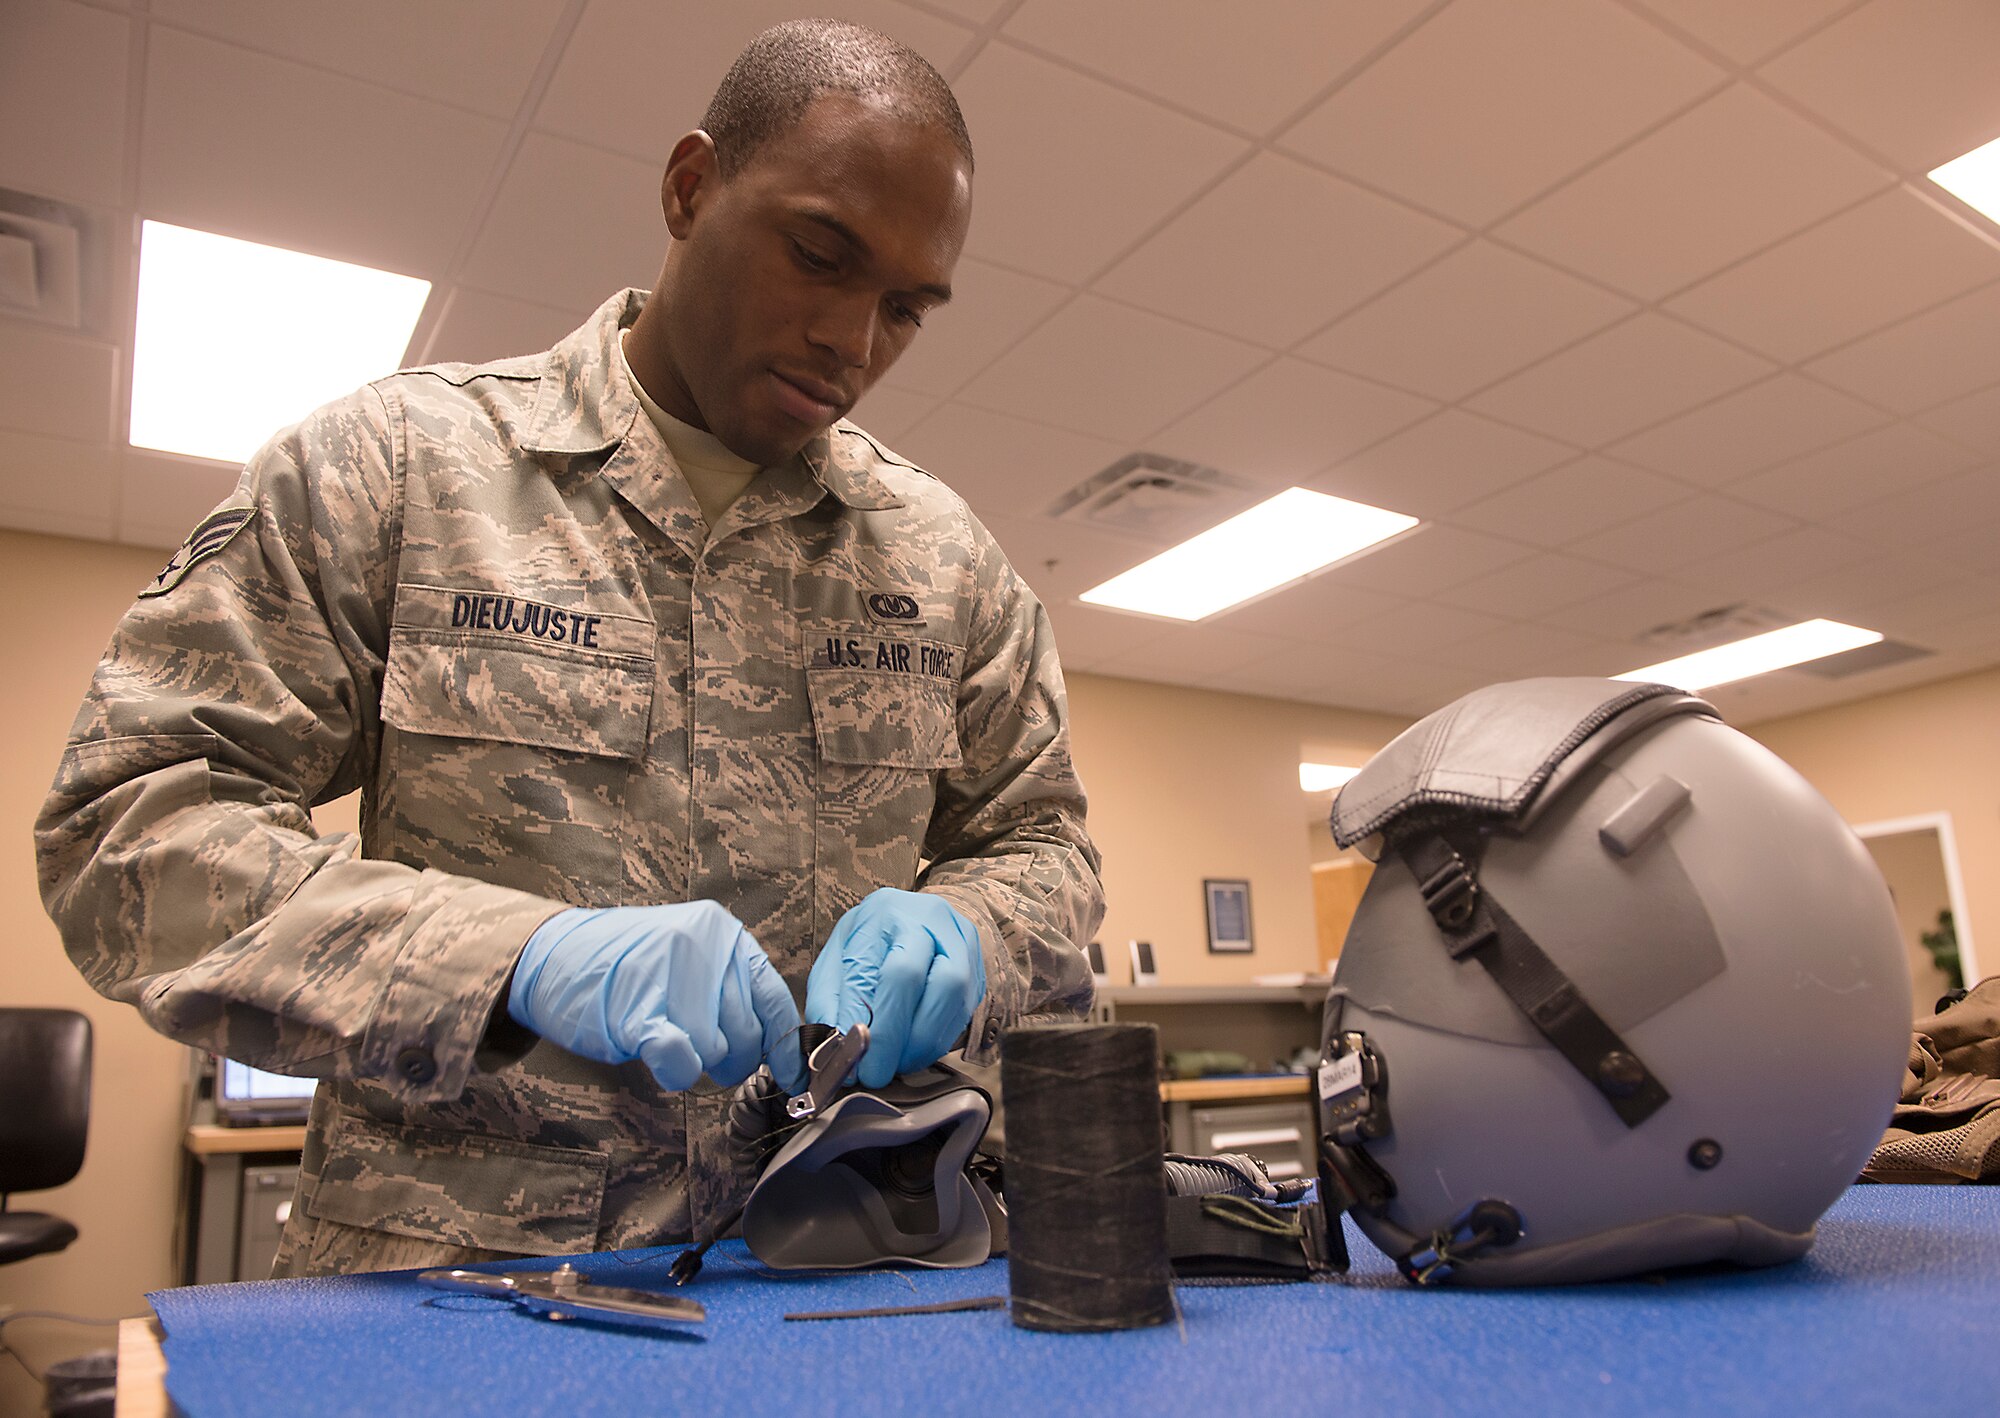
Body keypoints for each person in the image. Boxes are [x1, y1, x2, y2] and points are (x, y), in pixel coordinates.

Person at [36, 19, 1103, 1277]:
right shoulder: (393, 472)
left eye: (907, 310)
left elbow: (1045, 847)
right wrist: (511, 960)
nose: (854, 342)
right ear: (690, 185)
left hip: (825, 1281)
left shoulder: (944, 562)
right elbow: (128, 831)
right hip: (455, 1292)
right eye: (820, 257)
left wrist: (973, 929)